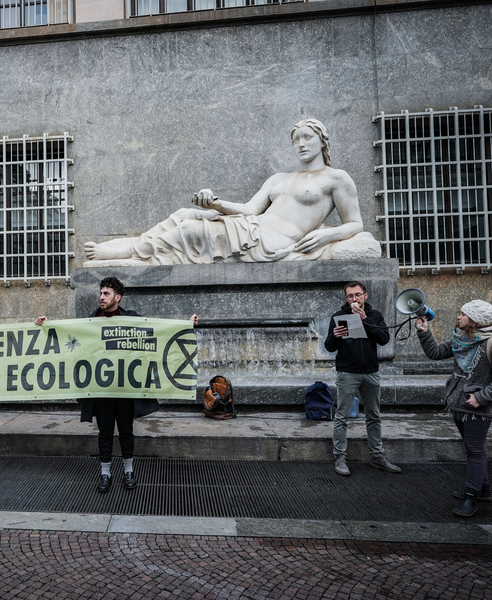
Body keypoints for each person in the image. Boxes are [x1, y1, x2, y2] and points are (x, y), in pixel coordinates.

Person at [83, 119, 378, 265]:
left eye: (308, 138)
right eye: (296, 139)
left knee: (191, 230)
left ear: (321, 141)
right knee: (186, 214)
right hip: (252, 225)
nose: (301, 144)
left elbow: (356, 224)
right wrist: (216, 202)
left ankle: (130, 254)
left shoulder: (336, 178)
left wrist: (328, 234)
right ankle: (136, 247)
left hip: (273, 241)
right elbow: (250, 209)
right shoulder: (280, 178)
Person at [35, 276, 197, 493]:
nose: (101, 297)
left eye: (106, 294)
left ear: (117, 298)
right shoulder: (90, 321)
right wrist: (46, 326)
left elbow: (158, 332)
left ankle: (128, 471)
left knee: (126, 431)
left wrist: (186, 325)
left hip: (125, 390)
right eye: (101, 293)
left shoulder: (132, 320)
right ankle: (105, 473)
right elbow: (68, 337)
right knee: (105, 432)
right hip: (101, 390)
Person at [415, 300, 492, 517]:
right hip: (459, 404)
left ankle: (471, 499)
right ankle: (483, 489)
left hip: (477, 407)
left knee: (474, 450)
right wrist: (424, 331)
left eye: (463, 314)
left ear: (476, 320)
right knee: (473, 449)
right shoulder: (463, 339)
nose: (458, 316)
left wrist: (481, 397)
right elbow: (434, 353)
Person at [324, 281, 401, 477]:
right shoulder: (338, 316)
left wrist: (365, 319)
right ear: (346, 299)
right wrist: (335, 335)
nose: (354, 299)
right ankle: (340, 457)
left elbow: (384, 339)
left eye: (358, 295)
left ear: (365, 296)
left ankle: (377, 456)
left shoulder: (375, 315)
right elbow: (329, 347)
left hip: (370, 372)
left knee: (373, 415)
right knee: (341, 416)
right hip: (347, 372)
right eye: (350, 296)